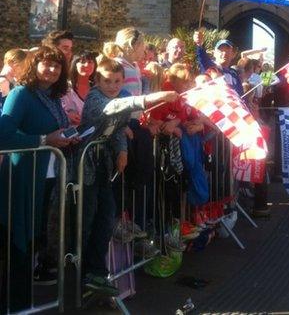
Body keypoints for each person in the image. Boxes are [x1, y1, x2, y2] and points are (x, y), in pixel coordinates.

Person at [78, 57, 178, 296]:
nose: (112, 86)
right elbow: (111, 110)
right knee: (87, 218)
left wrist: (122, 150)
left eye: (117, 81)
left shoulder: (121, 94)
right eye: (107, 81)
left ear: (123, 81)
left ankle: (97, 272)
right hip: (85, 163)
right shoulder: (95, 97)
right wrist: (154, 97)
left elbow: (119, 126)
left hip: (105, 164)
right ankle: (82, 273)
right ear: (97, 81)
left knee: (106, 217)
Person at [0, 46, 76, 312]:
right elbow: (4, 135)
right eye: (46, 64)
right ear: (34, 65)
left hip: (47, 174)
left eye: (57, 66)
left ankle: (21, 301)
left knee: (34, 235)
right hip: (21, 176)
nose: (52, 70)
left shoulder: (52, 98)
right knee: (17, 237)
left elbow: (54, 131)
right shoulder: (21, 94)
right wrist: (45, 140)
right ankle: (13, 303)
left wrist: (67, 136)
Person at [193, 31, 243, 96]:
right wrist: (199, 44)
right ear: (214, 53)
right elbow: (202, 57)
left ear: (233, 55)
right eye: (220, 50)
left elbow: (241, 94)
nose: (224, 53)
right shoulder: (210, 67)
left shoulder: (234, 74)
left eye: (227, 51)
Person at [62, 51, 97, 125]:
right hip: (72, 133)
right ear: (75, 65)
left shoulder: (98, 89)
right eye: (83, 62)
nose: (87, 65)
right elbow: (57, 110)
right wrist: (68, 115)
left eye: (90, 62)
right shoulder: (65, 87)